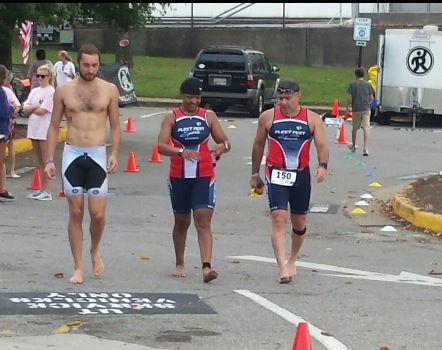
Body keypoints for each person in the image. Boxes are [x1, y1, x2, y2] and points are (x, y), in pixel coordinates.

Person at [44, 43, 122, 284]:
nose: (91, 69)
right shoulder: (64, 91)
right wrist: (48, 159)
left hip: (97, 153)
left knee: (97, 215)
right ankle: (78, 267)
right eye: (86, 65)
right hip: (73, 154)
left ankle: (94, 249)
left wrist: (115, 153)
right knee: (76, 211)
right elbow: (54, 126)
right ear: (78, 64)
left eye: (95, 65)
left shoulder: (109, 90)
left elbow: (116, 125)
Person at [250, 79, 329, 284]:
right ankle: (282, 267)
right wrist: (254, 173)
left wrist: (322, 165)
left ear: (298, 96)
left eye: (288, 98)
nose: (283, 102)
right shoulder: (268, 117)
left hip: (300, 175)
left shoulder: (311, 119)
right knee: (278, 218)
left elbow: (321, 145)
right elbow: (258, 145)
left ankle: (292, 259)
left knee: (299, 222)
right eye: (280, 98)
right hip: (275, 173)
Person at [157, 77, 231, 283]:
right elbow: (161, 146)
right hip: (179, 176)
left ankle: (207, 267)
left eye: (197, 97)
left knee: (203, 219)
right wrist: (181, 152)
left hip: (204, 175)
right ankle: (180, 261)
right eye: (190, 97)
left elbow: (225, 141)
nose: (194, 101)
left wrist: (221, 147)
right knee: (182, 221)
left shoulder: (208, 116)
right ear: (182, 96)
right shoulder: (172, 117)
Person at [22, 64, 56, 201]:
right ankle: (41, 189)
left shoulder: (51, 92)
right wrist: (35, 106)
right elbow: (24, 108)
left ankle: (47, 190)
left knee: (47, 160)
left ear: (49, 77)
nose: (40, 78)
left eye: (43, 76)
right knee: (40, 161)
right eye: (38, 76)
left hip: (44, 129)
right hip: (34, 128)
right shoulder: (35, 91)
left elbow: (43, 111)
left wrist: (32, 107)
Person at [0, 65, 19, 204]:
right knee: (0, 162)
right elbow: (4, 111)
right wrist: (12, 108)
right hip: (1, 131)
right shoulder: (1, 92)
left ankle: (2, 189)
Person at [346, 67, 374, 156]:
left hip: (356, 108)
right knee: (366, 127)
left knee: (355, 128)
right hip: (366, 108)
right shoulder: (368, 84)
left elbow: (350, 97)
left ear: (356, 75)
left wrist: (348, 106)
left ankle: (354, 146)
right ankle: (365, 148)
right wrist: (367, 102)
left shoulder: (352, 84)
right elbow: (371, 97)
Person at [2, 69, 22, 179]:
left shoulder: (8, 91)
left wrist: (10, 113)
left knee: (10, 145)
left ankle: (12, 170)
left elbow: (17, 106)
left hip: (7, 123)